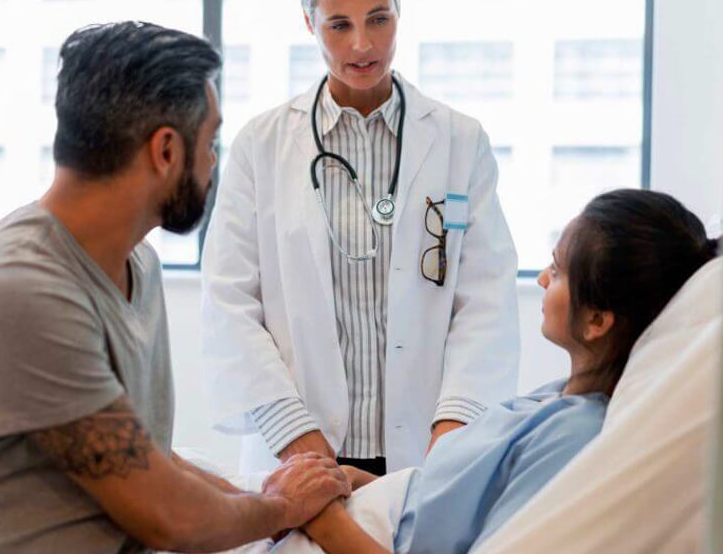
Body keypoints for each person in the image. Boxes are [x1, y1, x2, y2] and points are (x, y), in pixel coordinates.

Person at [0, 21, 350, 554]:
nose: (213, 162)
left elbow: (143, 460)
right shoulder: (18, 293)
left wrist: (271, 500)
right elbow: (168, 517)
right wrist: (282, 507)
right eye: (210, 142)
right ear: (166, 151)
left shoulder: (137, 265)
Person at [201, 0, 520, 479]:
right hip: (299, 446)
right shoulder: (261, 145)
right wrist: (293, 435)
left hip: (427, 446)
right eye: (339, 25)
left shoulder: (460, 141)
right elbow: (229, 299)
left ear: (400, 11)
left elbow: (487, 298)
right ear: (310, 23)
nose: (362, 45)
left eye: (378, 19)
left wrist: (454, 430)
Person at [287, 189, 719, 553]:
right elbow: (452, 497)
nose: (542, 280)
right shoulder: (555, 398)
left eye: (557, 271)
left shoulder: (575, 434)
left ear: (596, 320)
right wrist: (362, 483)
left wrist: (319, 518)